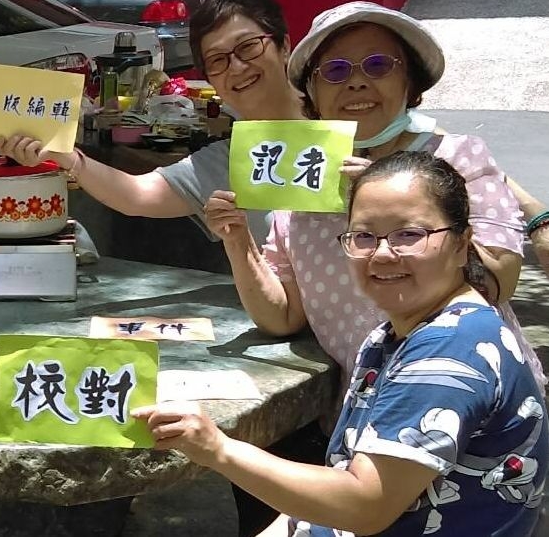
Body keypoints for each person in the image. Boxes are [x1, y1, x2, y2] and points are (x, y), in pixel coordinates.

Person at [137, 151, 548, 536]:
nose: (382, 254)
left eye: (409, 234)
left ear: (461, 244)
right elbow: (347, 475)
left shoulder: (448, 351)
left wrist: (217, 448)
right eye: (364, 236)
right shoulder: (397, 332)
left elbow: (365, 503)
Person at [202, 1, 543, 387]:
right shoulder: (301, 182)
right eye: (335, 70)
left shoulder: (459, 158)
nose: (356, 82)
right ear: (312, 91)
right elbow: (282, 316)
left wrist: (387, 199)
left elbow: (500, 280)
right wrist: (238, 241)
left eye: (378, 65)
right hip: (371, 407)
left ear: (409, 81)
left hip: (476, 398)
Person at [0, 0, 304, 243]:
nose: (236, 67)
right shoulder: (227, 160)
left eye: (248, 47)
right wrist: (65, 156)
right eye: (217, 60)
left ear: (285, 46)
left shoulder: (332, 118)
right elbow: (137, 195)